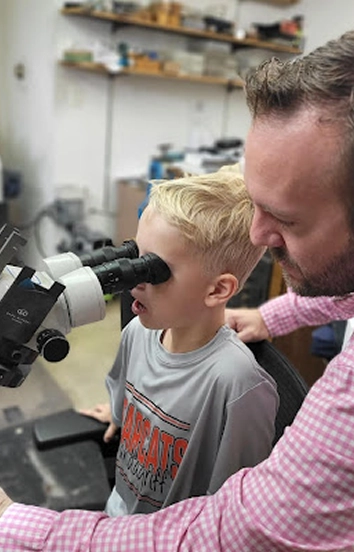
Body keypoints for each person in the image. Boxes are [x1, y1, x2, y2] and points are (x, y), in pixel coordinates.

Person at [0, 28, 354, 552]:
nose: (258, 235)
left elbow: (234, 532)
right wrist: (272, 315)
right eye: (255, 201)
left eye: (284, 218)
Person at [83, 165, 279, 518]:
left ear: (218, 289)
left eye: (154, 270)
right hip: (117, 520)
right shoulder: (137, 334)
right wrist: (118, 415)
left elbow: (232, 513)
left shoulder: (237, 384)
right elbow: (123, 404)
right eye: (135, 258)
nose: (136, 281)